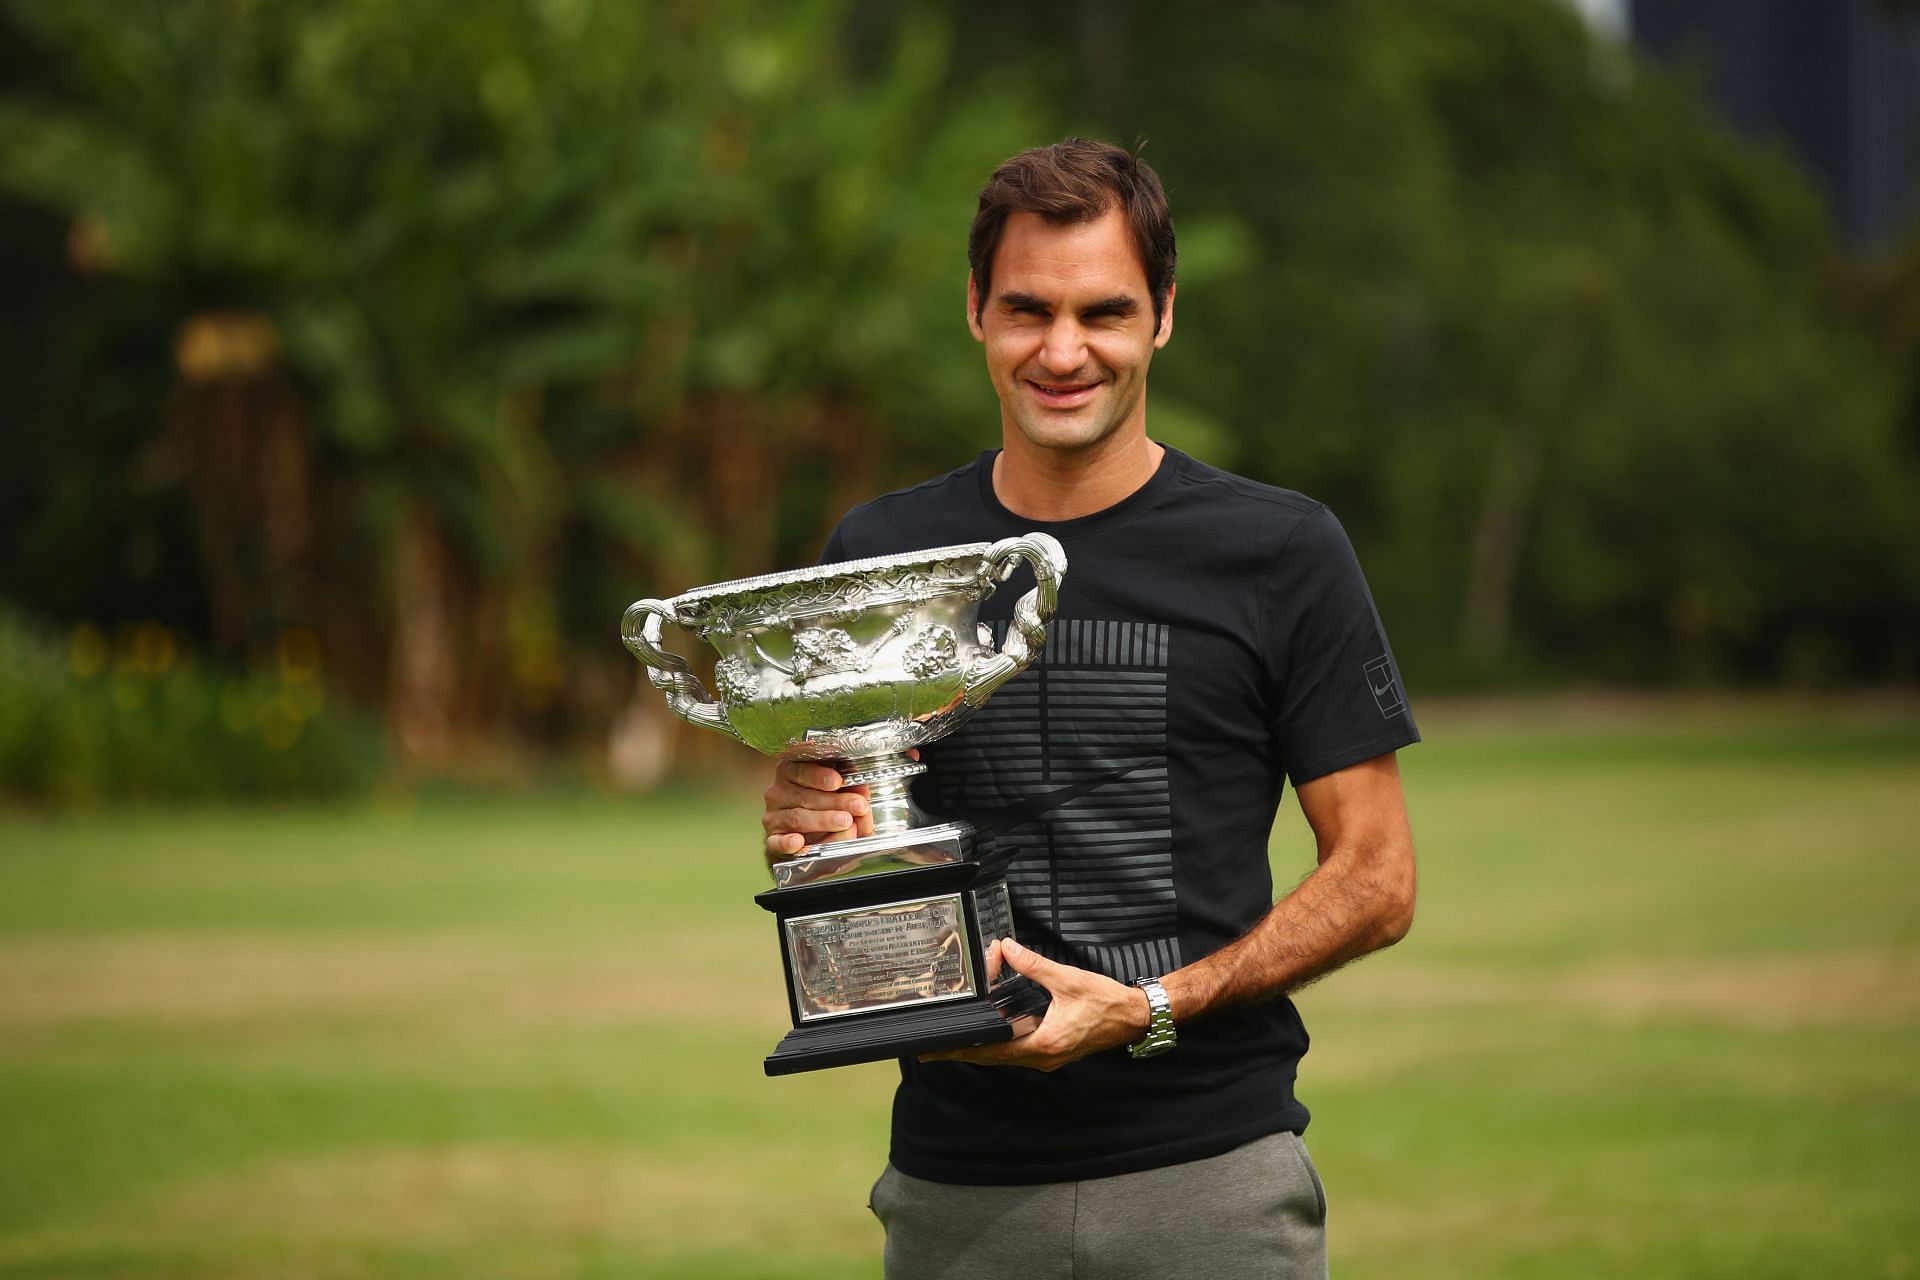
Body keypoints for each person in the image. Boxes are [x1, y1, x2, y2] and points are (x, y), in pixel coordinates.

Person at [761, 138, 1419, 1279]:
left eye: (1104, 311)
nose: (1064, 351)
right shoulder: (881, 557)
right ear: (975, 309)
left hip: (1210, 1181)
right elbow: (858, 843)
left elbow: (1378, 874)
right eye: (1027, 309)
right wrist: (816, 816)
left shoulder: (1280, 551)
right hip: (958, 1189)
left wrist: (1154, 1003)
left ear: (1162, 314)